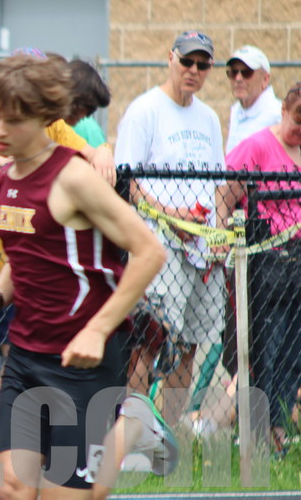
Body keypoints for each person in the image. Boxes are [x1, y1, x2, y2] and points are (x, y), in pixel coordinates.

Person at [0, 53, 170, 499]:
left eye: (13, 119)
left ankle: (134, 421)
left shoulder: (74, 177)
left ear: (45, 117)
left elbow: (149, 252)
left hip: (83, 362)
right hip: (25, 356)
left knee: (78, 495)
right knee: (12, 489)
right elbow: (27, 256)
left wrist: (97, 330)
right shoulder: (1, 182)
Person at [0, 50, 116, 449]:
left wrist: (102, 149)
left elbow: (85, 148)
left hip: (11, 259)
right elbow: (3, 157)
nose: (4, 124)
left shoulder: (48, 124)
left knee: (12, 353)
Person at [115, 30, 226, 426]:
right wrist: (172, 215)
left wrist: (218, 233)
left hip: (202, 248)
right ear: (170, 58)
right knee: (149, 341)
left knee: (189, 345)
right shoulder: (145, 111)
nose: (193, 70)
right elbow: (127, 182)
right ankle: (132, 436)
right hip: (159, 243)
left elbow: (218, 184)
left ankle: (168, 435)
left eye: (202, 64)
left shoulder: (209, 118)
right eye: (187, 61)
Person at [220, 83, 301, 458]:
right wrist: (221, 235)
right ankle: (257, 433)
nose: (298, 131)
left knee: (293, 353)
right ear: (283, 111)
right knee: (267, 349)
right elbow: (225, 192)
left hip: (298, 263)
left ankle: (279, 431)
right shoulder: (257, 146)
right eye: (297, 121)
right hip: (267, 263)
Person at [224, 45, 281, 154]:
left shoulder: (277, 114)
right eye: (233, 72)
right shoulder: (236, 110)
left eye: (247, 72)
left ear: (265, 79)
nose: (238, 79)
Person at [64, 60, 111, 147]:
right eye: (86, 107)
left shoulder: (88, 128)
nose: (84, 116)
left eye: (90, 110)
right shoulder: (49, 124)